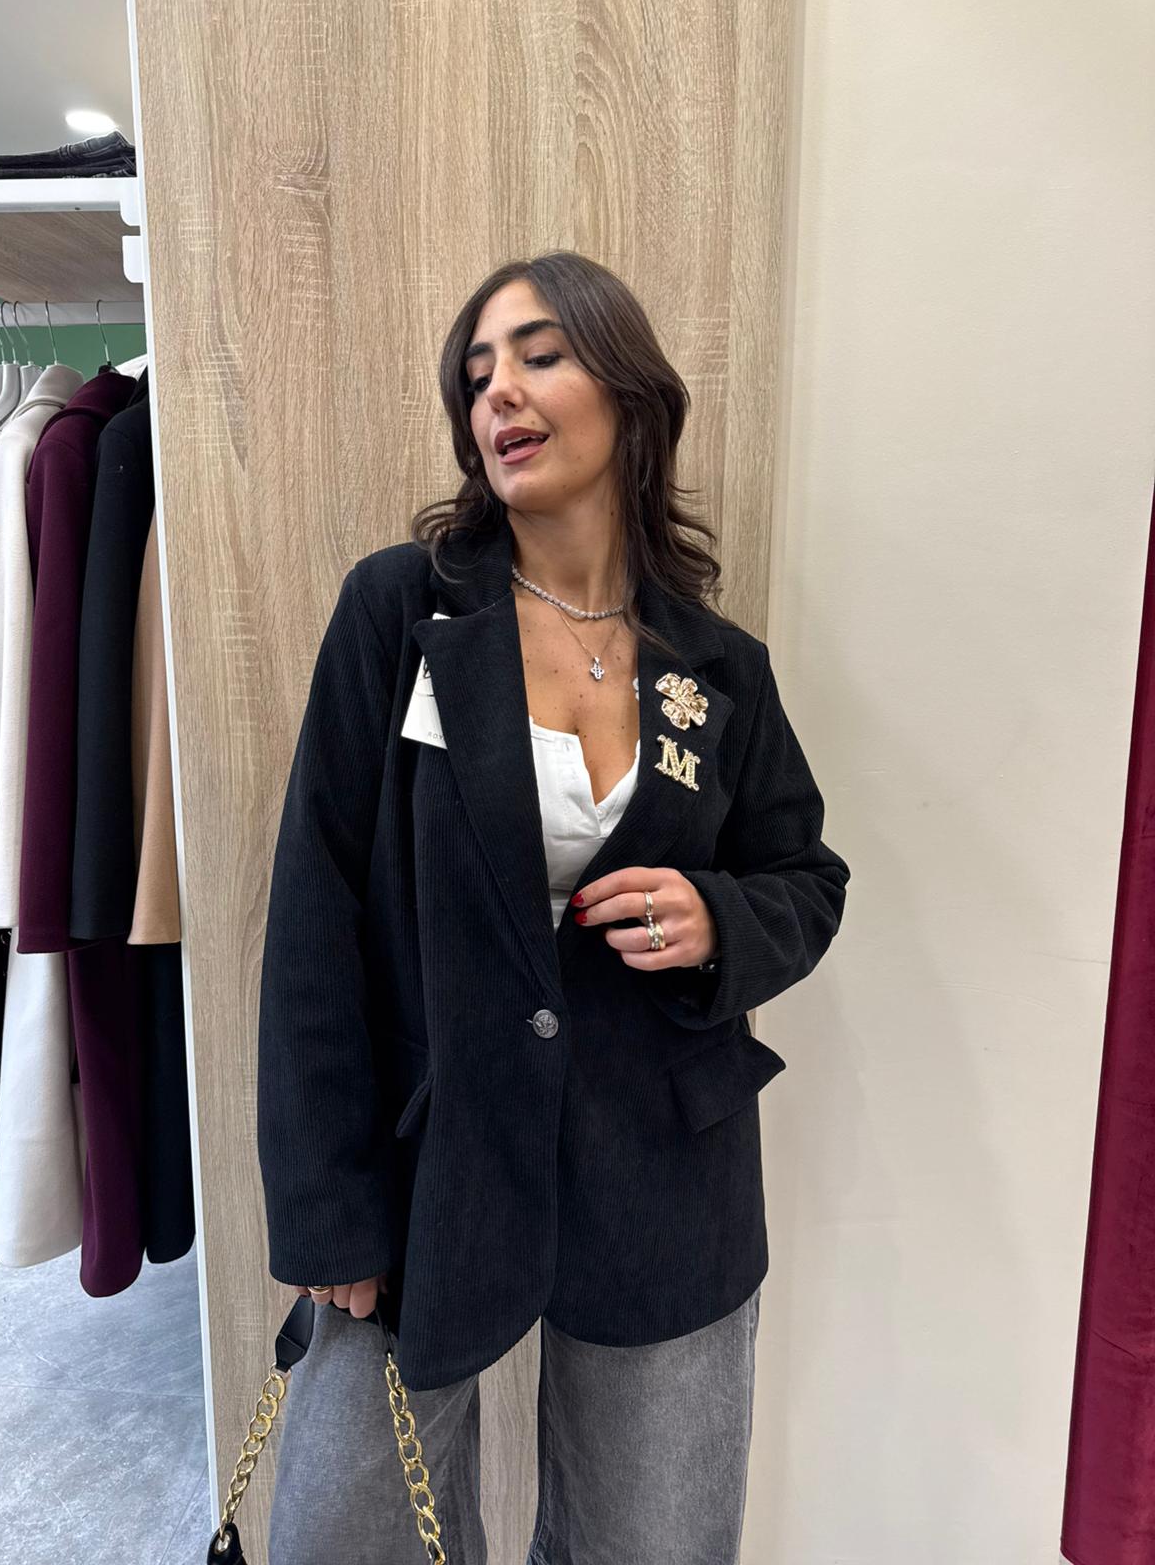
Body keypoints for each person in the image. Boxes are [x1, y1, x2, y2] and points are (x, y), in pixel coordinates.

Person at [257, 250, 851, 1563]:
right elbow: (314, 919)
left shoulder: (715, 669)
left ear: (628, 393)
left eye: (538, 355)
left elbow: (808, 879)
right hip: (425, 1164)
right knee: (350, 1532)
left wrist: (718, 922)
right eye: (476, 375)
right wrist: (327, 1209)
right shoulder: (402, 613)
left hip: (664, 1171)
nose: (499, 395)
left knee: (652, 1539)